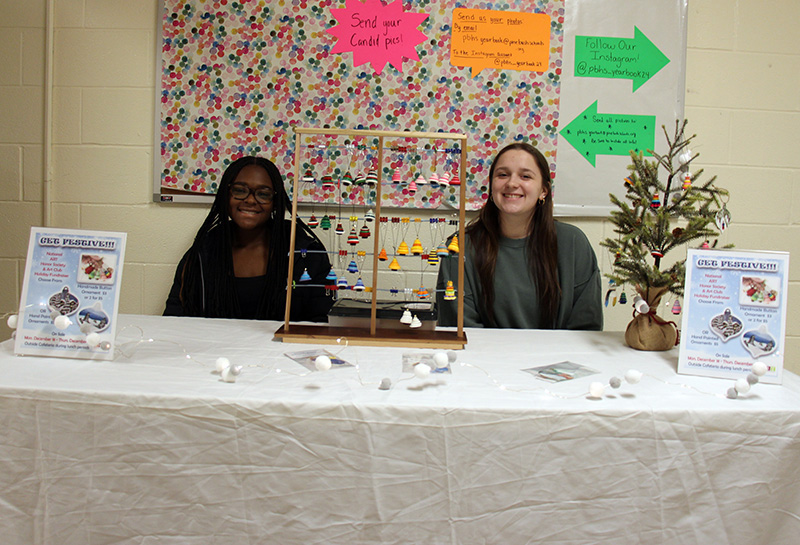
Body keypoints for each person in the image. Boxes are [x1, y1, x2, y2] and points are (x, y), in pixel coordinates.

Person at [437, 142, 603, 330]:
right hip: (484, 357)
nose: (512, 183)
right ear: (491, 187)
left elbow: (586, 328)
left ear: (543, 191)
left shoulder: (574, 244)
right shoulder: (459, 246)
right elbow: (458, 328)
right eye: (502, 175)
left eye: (525, 176)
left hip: (559, 358)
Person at [164, 156, 333, 321]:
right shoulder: (201, 254)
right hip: (213, 348)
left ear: (275, 202)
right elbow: (174, 321)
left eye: (263, 194)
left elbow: (323, 322)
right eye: (239, 190)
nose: (251, 200)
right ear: (226, 195)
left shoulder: (308, 254)